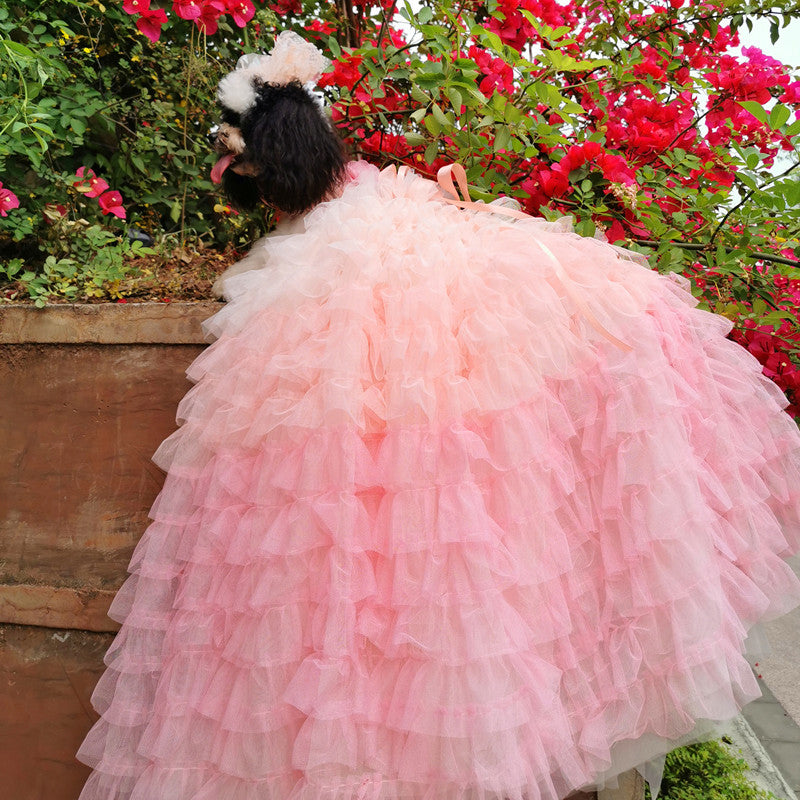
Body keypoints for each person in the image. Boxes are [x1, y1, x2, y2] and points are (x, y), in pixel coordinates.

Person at [77, 31, 800, 800]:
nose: (225, 149)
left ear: (278, 145)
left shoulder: (359, 216)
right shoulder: (369, 194)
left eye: (238, 135)